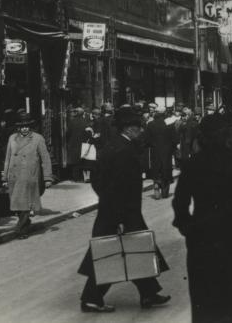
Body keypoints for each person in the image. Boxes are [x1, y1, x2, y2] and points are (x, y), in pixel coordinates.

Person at [77, 106, 171, 313]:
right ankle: (91, 298)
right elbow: (118, 187)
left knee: (137, 250)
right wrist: (118, 216)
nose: (141, 130)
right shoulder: (124, 151)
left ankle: (148, 293)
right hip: (120, 213)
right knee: (111, 255)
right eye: (138, 126)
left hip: (116, 210)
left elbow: (97, 179)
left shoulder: (114, 146)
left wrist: (105, 200)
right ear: (128, 128)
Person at [173, 113, 232, 322]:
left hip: (203, 239)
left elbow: (180, 203)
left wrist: (188, 228)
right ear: (228, 136)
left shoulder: (193, 164)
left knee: (206, 302)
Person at [3, 112, 53, 239]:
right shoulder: (12, 138)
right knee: (17, 205)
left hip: (29, 177)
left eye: (27, 126)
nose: (24, 128)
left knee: (25, 204)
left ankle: (20, 230)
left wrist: (47, 177)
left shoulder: (38, 139)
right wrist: (5, 176)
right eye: (22, 126)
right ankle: (25, 223)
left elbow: (45, 158)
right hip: (14, 176)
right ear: (18, 127)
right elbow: (8, 158)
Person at [143, 107, 177, 199]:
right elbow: (175, 139)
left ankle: (156, 183)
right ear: (164, 113)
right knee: (166, 169)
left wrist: (151, 145)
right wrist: (172, 148)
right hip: (167, 151)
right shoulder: (169, 123)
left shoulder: (150, 124)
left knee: (156, 168)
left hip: (155, 150)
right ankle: (165, 191)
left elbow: (146, 139)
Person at [66, 107, 90, 182]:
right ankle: (83, 177)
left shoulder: (71, 122)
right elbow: (88, 133)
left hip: (73, 143)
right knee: (83, 160)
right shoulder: (86, 122)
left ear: (76, 113)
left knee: (75, 162)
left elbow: (68, 133)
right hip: (83, 143)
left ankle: (76, 178)